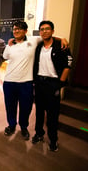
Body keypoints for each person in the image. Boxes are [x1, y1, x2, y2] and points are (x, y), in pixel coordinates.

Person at [3, 20, 68, 140]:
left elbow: (47, 36)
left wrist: (62, 38)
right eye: (15, 29)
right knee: (10, 106)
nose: (16, 31)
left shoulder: (33, 40)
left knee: (26, 108)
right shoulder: (9, 45)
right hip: (9, 82)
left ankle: (23, 127)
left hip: (26, 82)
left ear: (26, 31)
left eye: (19, 29)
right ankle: (11, 125)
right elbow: (5, 57)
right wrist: (9, 43)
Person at [32, 20, 73, 152]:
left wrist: (60, 84)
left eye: (47, 29)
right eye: (42, 29)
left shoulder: (61, 46)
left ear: (53, 31)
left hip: (53, 83)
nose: (44, 31)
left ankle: (53, 140)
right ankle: (39, 134)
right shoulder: (38, 46)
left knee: (52, 116)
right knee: (39, 113)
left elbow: (68, 66)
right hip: (39, 83)